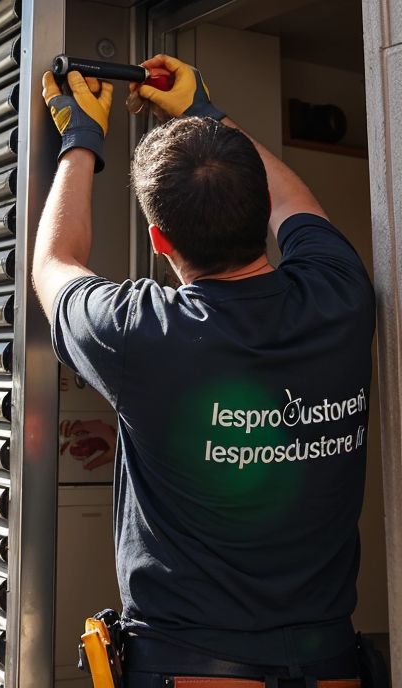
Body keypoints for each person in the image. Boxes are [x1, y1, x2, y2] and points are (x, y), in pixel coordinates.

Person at [33, 54, 376, 684]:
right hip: (332, 666)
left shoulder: (139, 335)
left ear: (159, 242)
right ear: (261, 217)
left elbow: (54, 262)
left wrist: (80, 137)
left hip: (191, 668)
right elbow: (294, 200)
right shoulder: (341, 295)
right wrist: (206, 115)